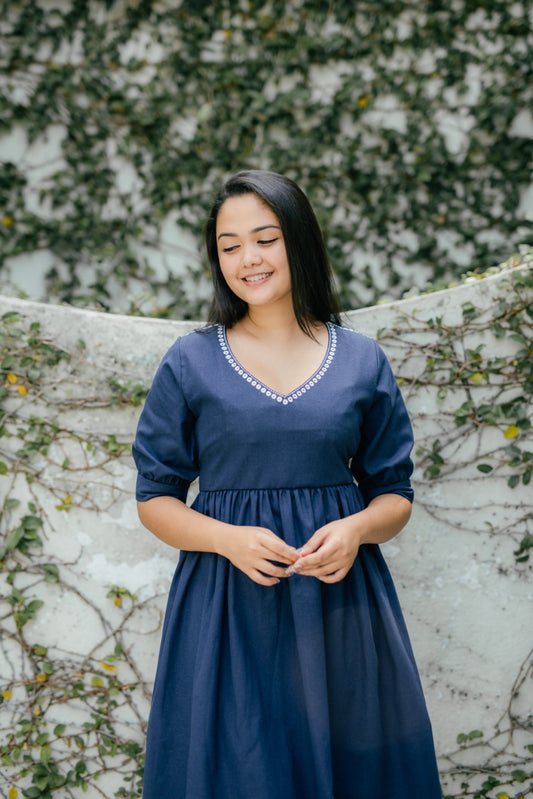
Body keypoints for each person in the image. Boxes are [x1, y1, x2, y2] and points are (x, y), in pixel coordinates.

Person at [132, 170, 442, 799]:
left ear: (298, 240)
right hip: (225, 609)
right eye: (229, 245)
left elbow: (395, 494)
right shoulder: (190, 361)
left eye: (265, 238)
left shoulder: (361, 359)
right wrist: (228, 540)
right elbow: (154, 499)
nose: (248, 258)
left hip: (340, 607)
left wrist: (356, 528)